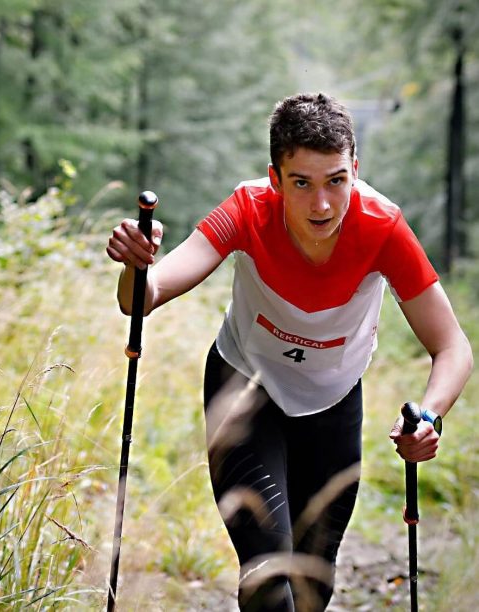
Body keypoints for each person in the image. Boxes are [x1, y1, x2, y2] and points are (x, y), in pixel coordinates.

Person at [105, 92, 473, 611]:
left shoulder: (383, 227)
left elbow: (452, 346)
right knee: (268, 575)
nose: (321, 204)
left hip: (333, 403)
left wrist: (429, 417)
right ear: (275, 179)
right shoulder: (247, 209)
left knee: (312, 585)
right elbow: (143, 300)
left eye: (336, 181)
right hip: (245, 390)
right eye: (301, 183)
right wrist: (136, 267)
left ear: (355, 170)